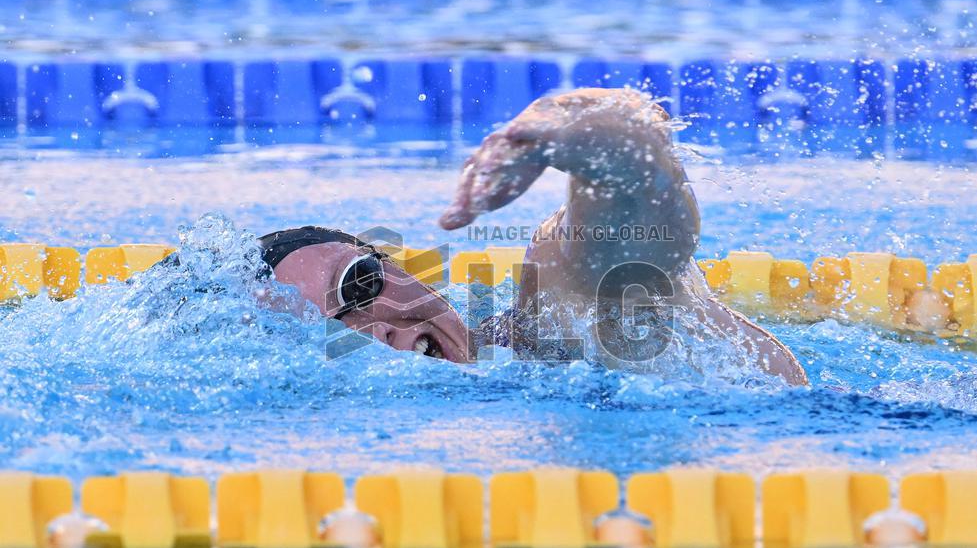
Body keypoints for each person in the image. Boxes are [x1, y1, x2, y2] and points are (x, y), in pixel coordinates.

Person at [264, 88, 808, 386]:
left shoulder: (553, 314)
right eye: (326, 330)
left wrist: (560, 137)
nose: (374, 330)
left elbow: (641, 188)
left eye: (360, 284)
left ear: (404, 270)